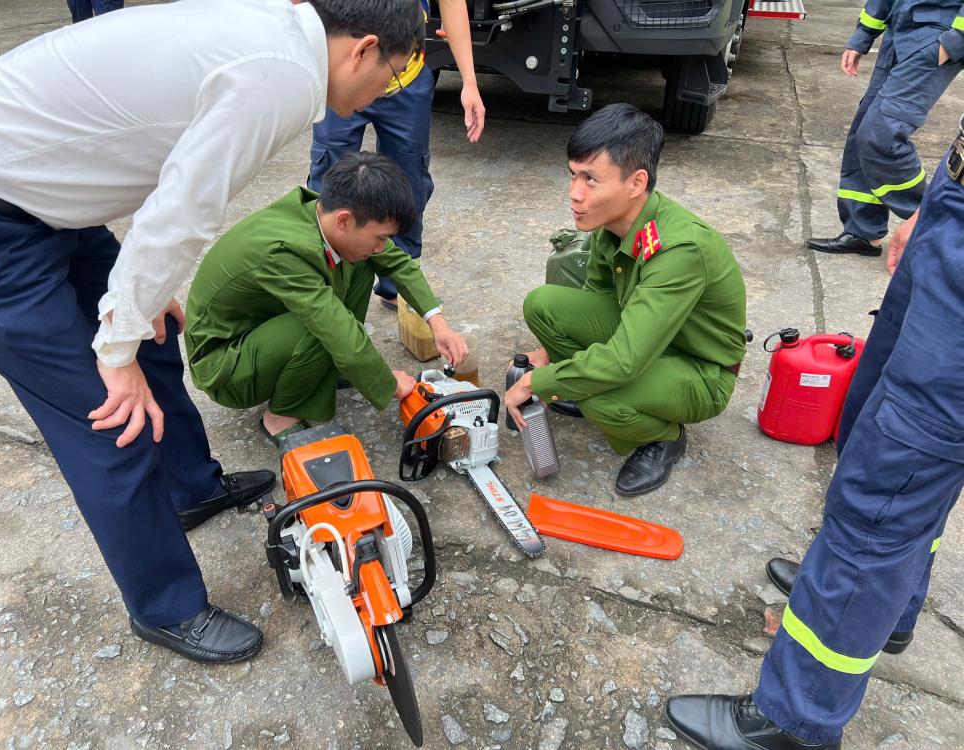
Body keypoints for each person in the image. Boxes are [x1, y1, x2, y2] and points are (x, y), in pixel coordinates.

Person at [0, 0, 423, 664]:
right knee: (109, 418)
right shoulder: (281, 76)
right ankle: (166, 607)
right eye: (393, 74)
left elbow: (148, 160)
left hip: (39, 199)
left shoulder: (273, 35)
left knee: (153, 343)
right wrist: (114, 342)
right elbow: (186, 207)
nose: (387, 92)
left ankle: (190, 488)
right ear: (363, 48)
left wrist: (138, 297)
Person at [665, 116, 964, 750]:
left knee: (887, 492)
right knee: (873, 430)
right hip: (955, 205)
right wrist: (941, 202)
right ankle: (889, 607)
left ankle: (795, 721)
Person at [503, 104, 747, 497]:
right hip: (648, 342)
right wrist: (548, 356)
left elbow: (624, 360)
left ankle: (663, 437)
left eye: (590, 179)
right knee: (543, 306)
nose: (574, 193)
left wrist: (539, 381)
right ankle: (594, 387)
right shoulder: (615, 225)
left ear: (636, 183)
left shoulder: (679, 250)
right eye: (573, 175)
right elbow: (597, 298)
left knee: (599, 399)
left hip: (701, 371)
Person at [185, 152, 468, 444]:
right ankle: (281, 416)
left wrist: (438, 323)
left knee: (361, 263)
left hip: (260, 330)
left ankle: (329, 368)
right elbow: (336, 329)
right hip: (225, 365)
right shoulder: (287, 252)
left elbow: (397, 262)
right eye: (381, 237)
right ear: (345, 220)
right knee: (325, 328)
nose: (382, 246)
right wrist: (388, 383)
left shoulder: (324, 215)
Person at [308, 0, 485, 310]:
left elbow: (452, 4)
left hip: (405, 76)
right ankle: (319, 278)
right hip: (344, 71)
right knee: (328, 181)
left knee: (410, 184)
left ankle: (400, 284)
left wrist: (469, 81)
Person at [806, 0, 964, 257]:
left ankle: (940, 225)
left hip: (936, 37)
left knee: (881, 136)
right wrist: (862, 35)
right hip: (899, 32)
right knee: (863, 132)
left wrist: (953, 43)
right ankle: (863, 231)